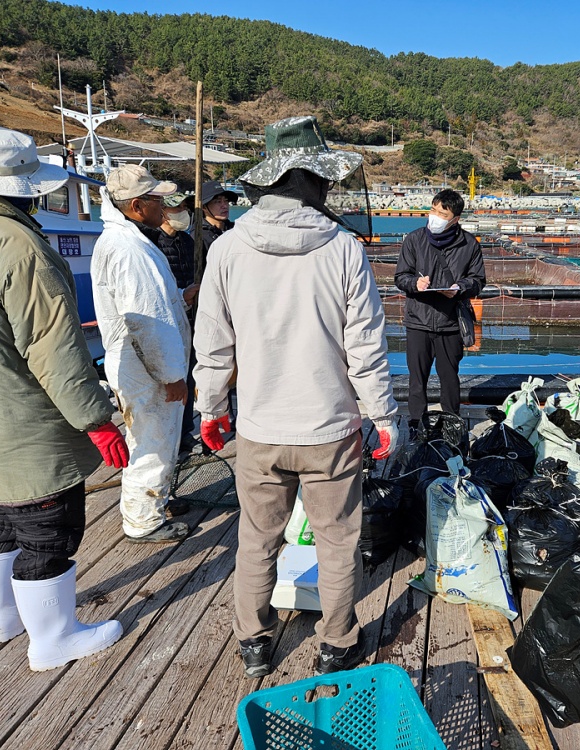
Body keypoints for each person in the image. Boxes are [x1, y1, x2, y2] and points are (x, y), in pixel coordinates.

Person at [194, 115, 399, 677]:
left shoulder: (229, 249)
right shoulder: (343, 251)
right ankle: (336, 643)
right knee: (337, 541)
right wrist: (383, 416)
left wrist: (210, 410)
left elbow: (213, 344)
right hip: (331, 430)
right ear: (316, 182)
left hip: (258, 429)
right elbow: (366, 350)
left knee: (257, 538)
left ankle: (254, 642)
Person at [0, 129, 125, 671]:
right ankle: (53, 638)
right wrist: (96, 419)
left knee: (2, 518)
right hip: (26, 422)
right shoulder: (17, 244)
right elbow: (52, 348)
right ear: (23, 188)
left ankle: (3, 618)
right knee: (48, 528)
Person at [93, 164, 192, 543]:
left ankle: (157, 500)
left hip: (138, 362)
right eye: (156, 200)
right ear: (136, 205)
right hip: (144, 367)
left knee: (156, 440)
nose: (163, 206)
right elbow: (146, 323)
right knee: (152, 444)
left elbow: (148, 308)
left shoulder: (126, 240)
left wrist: (181, 299)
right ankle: (143, 521)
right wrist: (172, 377)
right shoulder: (128, 249)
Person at [394, 188, 485, 434]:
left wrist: (460, 288)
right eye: (433, 210)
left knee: (450, 379)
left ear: (455, 218)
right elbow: (401, 276)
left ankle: (452, 424)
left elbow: (478, 280)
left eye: (441, 213)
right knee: (416, 380)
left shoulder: (469, 244)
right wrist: (415, 283)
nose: (434, 216)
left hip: (450, 323)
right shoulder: (414, 240)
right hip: (418, 321)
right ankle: (415, 424)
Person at [154, 192, 201, 453]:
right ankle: (166, 435)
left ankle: (184, 431)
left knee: (188, 377)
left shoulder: (187, 241)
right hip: (167, 321)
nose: (183, 212)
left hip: (190, 320)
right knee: (169, 378)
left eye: (185, 207)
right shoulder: (154, 242)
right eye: (177, 208)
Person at [199, 180, 238, 255]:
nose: (225, 206)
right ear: (204, 207)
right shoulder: (199, 236)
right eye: (218, 202)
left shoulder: (236, 229)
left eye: (226, 201)